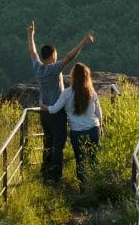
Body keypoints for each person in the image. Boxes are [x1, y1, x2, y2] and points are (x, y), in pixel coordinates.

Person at [27, 22, 93, 184]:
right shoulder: (53, 69)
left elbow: (33, 52)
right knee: (58, 145)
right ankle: (55, 177)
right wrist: (83, 42)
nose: (57, 56)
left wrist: (30, 35)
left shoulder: (37, 68)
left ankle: (45, 172)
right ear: (52, 56)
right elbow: (71, 57)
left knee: (47, 143)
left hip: (44, 113)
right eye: (55, 54)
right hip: (56, 113)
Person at [47, 61, 103, 190]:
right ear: (87, 76)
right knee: (94, 159)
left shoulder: (66, 93)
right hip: (94, 129)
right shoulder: (91, 91)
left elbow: (54, 109)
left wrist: (44, 106)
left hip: (77, 132)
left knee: (80, 161)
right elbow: (99, 114)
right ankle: (95, 188)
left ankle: (83, 189)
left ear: (72, 76)